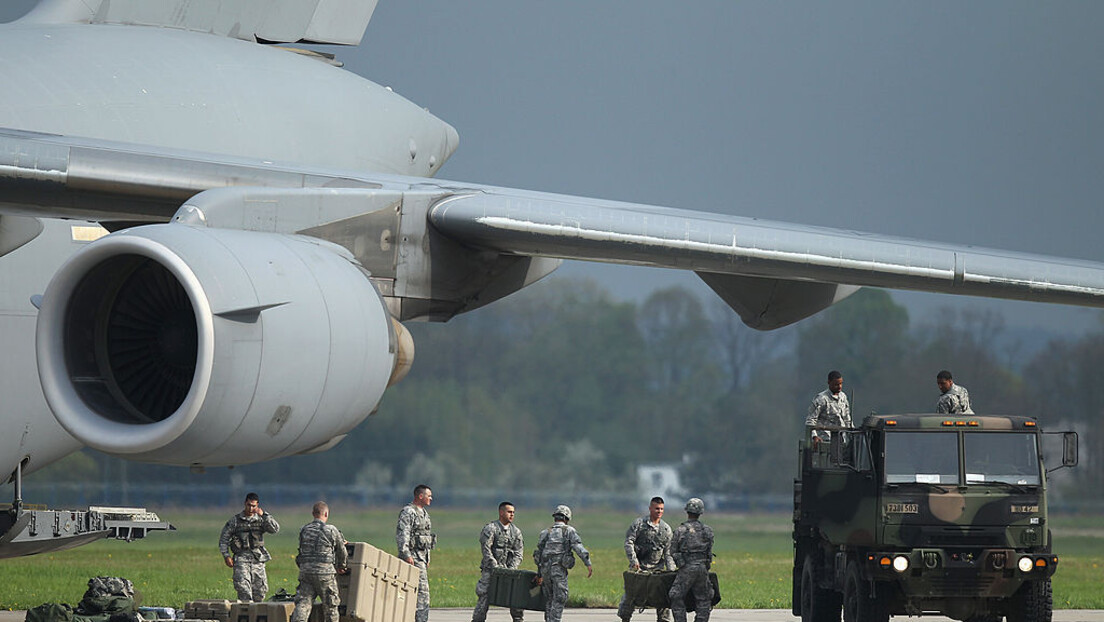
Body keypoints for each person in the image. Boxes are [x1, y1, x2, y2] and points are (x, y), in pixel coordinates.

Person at [618, 497, 675, 622]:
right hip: (639, 568)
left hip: (657, 570)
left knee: (662, 598)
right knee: (631, 596)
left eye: (661, 509)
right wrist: (634, 561)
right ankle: (625, 618)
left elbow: (668, 552)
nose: (659, 511)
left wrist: (671, 571)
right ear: (650, 508)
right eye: (656, 508)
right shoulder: (639, 524)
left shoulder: (666, 529)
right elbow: (629, 542)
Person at [290, 502, 348, 622]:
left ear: (313, 514)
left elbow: (301, 552)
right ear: (326, 513)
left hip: (306, 573)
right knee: (331, 607)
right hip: (325, 575)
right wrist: (341, 566)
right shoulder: (331, 530)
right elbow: (342, 551)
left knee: (303, 604)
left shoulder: (304, 530)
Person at [533, 505, 592, 622]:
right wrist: (588, 563)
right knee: (560, 597)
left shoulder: (545, 532)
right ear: (567, 518)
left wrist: (539, 574)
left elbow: (539, 555)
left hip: (545, 571)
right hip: (558, 570)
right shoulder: (569, 531)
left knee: (550, 598)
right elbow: (579, 548)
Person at [218, 492, 280, 602]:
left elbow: (275, 529)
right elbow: (224, 539)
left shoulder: (261, 519)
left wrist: (265, 515)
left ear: (257, 505)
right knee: (243, 589)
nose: (251, 508)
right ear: (245, 503)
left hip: (257, 559)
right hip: (241, 558)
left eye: (253, 506)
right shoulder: (235, 521)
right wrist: (226, 556)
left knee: (260, 591)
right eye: (249, 505)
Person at [472, 501, 525, 622]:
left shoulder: (516, 532)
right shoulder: (491, 528)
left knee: (516, 597)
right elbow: (486, 549)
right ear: (501, 512)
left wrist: (512, 568)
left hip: (509, 572)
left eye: (513, 512)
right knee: (484, 596)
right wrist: (494, 565)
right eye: (509, 512)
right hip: (491, 571)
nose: (512, 515)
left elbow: (518, 552)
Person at [668, 498, 714, 622]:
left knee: (675, 595)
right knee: (704, 598)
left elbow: (673, 551)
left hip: (687, 568)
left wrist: (681, 563)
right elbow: (709, 553)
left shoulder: (681, 530)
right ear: (700, 512)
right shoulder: (707, 531)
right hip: (702, 568)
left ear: (687, 511)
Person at [397, 484, 436, 622]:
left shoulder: (424, 514)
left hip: (421, 559)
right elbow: (403, 534)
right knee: (422, 594)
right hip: (413, 558)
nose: (431, 498)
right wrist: (406, 554)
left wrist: (427, 557)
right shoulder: (408, 512)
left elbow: (426, 537)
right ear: (420, 496)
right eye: (428, 495)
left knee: (419, 593)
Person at [805, 370, 851, 443]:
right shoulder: (821, 399)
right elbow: (811, 420)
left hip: (842, 440)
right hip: (826, 440)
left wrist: (852, 435)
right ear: (829, 382)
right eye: (836, 384)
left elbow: (847, 419)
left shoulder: (843, 397)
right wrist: (814, 436)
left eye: (841, 384)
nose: (839, 387)